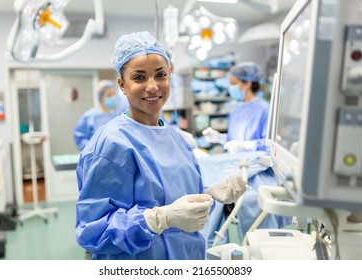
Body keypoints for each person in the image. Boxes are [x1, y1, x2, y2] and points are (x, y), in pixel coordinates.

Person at [75, 31, 247, 260]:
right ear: (122, 85)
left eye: (161, 75)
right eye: (139, 77)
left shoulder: (177, 139)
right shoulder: (111, 145)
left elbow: (171, 197)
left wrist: (209, 194)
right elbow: (92, 231)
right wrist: (159, 219)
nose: (153, 86)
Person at [203, 62, 270, 153]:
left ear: (247, 84)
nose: (230, 87)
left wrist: (245, 145)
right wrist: (219, 138)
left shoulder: (265, 109)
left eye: (233, 83)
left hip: (257, 165)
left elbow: (270, 144)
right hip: (237, 162)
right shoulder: (236, 109)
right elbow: (235, 139)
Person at [73, 80, 128, 151]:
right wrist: (92, 150)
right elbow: (80, 136)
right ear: (101, 98)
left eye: (114, 94)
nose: (113, 97)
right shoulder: (91, 116)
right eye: (109, 95)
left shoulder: (117, 115)